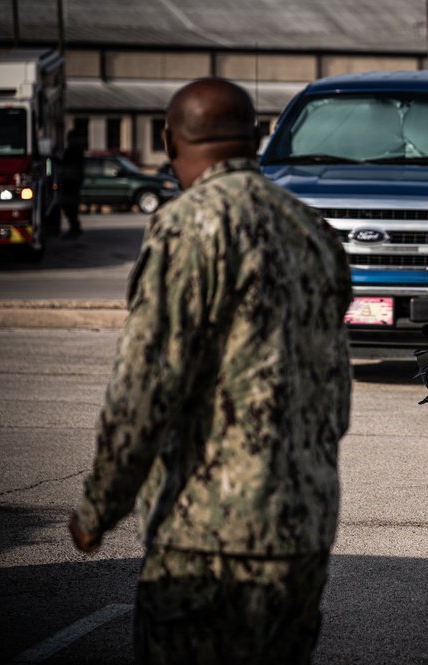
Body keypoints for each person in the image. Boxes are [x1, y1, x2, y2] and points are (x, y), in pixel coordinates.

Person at [68, 78, 352, 664]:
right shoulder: (312, 230)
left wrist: (99, 509)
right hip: (304, 531)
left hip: (209, 537)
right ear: (256, 136)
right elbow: (336, 395)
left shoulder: (188, 225)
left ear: (169, 142)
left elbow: (144, 387)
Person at [58, 128, 86, 239]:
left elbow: (70, 167)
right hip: (72, 182)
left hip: (71, 183)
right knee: (71, 207)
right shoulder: (76, 150)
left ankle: (75, 228)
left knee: (70, 207)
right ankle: (75, 227)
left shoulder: (74, 151)